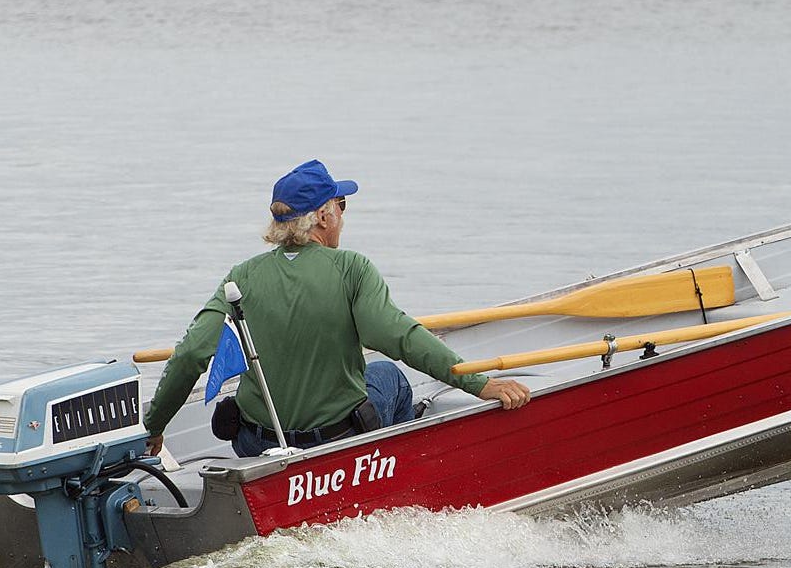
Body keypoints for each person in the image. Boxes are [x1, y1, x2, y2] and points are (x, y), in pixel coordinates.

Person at [144, 160, 530, 457]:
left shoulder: (241, 277)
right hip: (335, 438)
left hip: (256, 444)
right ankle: (388, 469)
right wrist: (478, 383)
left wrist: (156, 425)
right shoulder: (351, 268)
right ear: (324, 216)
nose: (343, 216)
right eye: (341, 205)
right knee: (389, 375)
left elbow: (192, 353)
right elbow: (396, 335)